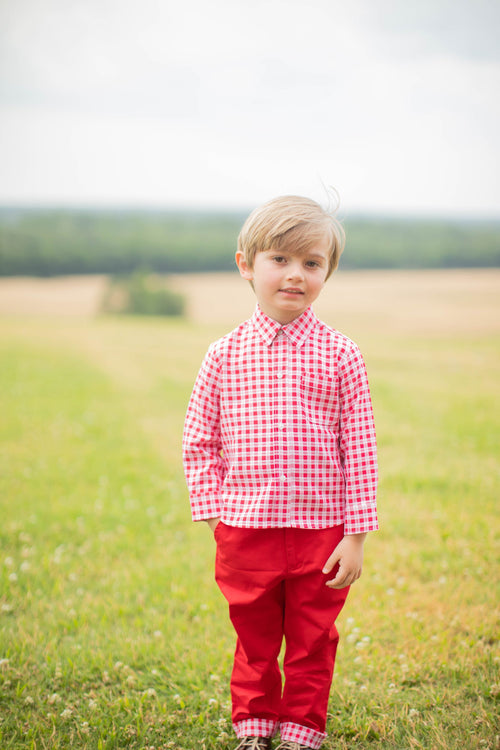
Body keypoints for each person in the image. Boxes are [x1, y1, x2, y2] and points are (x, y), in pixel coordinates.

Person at [183, 195, 378, 750]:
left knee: (314, 638)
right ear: (247, 264)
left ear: (327, 273)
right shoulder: (223, 355)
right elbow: (201, 439)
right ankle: (254, 721)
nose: (295, 274)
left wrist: (355, 536)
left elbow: (358, 448)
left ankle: (301, 727)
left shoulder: (342, 354)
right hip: (245, 529)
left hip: (320, 531)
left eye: (312, 263)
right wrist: (215, 510)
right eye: (280, 260)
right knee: (255, 635)